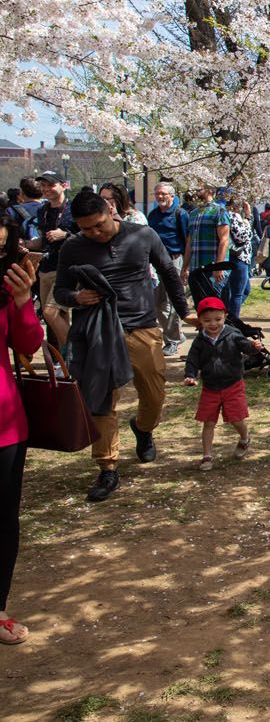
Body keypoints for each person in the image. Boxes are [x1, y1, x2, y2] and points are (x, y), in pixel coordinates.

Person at [55, 190, 189, 502]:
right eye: (86, 228)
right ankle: (108, 466)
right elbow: (60, 290)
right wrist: (76, 298)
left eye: (98, 225)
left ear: (110, 211)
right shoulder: (73, 246)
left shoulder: (143, 235)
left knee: (154, 395)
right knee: (102, 399)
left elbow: (169, 273)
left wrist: (185, 312)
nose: (94, 233)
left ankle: (143, 428)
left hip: (141, 327)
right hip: (98, 330)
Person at [0, 220, 42, 645]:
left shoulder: (7, 287)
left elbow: (27, 344)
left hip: (5, 422)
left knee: (3, 520)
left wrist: (21, 299)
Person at [182, 296, 264, 471]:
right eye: (207, 320)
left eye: (217, 319)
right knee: (208, 422)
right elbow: (192, 360)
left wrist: (254, 346)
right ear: (200, 321)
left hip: (232, 384)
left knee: (236, 419)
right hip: (210, 386)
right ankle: (207, 456)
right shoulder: (199, 341)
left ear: (225, 316)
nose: (213, 324)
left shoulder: (232, 334)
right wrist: (190, 375)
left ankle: (244, 437)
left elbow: (246, 347)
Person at [26, 171, 75, 349]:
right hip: (46, 267)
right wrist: (25, 244)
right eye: (43, 186)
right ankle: (66, 361)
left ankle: (76, 355)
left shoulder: (74, 209)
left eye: (51, 185)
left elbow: (87, 236)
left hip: (66, 268)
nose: (46, 189)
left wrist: (66, 234)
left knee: (51, 312)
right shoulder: (42, 210)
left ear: (64, 185)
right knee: (53, 316)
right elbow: (44, 240)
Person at [146, 182, 190, 354]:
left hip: (174, 260)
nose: (160, 197)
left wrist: (185, 267)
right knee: (157, 303)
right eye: (157, 194)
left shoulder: (180, 214)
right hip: (155, 262)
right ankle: (176, 335)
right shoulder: (153, 215)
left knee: (172, 302)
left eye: (163, 194)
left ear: (172, 196)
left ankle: (172, 340)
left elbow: (188, 241)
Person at [181, 186, 230, 302]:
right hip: (196, 269)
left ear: (209, 190)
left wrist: (219, 267)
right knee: (200, 308)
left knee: (214, 307)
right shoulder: (193, 213)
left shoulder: (220, 211)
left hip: (212, 270)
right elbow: (189, 242)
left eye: (199, 187)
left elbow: (224, 239)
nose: (195, 190)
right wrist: (185, 267)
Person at [222, 196, 255, 319]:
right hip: (238, 257)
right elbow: (242, 236)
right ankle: (232, 320)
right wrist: (247, 218)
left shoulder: (227, 215)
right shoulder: (232, 215)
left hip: (240, 257)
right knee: (237, 293)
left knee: (244, 290)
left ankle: (226, 315)